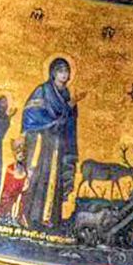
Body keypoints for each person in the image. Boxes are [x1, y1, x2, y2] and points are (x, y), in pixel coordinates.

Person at [21, 58, 85, 228]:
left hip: (59, 144)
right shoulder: (43, 90)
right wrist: (52, 122)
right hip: (43, 143)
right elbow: (31, 114)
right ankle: (30, 215)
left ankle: (50, 218)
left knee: (55, 178)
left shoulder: (67, 95)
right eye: (61, 71)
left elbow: (69, 123)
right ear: (53, 73)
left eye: (67, 71)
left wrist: (70, 107)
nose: (64, 75)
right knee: (40, 175)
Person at [0, 137, 30, 223]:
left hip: (17, 214)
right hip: (4, 210)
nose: (21, 153)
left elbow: (24, 198)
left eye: (23, 150)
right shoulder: (9, 169)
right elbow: (4, 192)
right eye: (18, 150)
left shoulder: (28, 173)